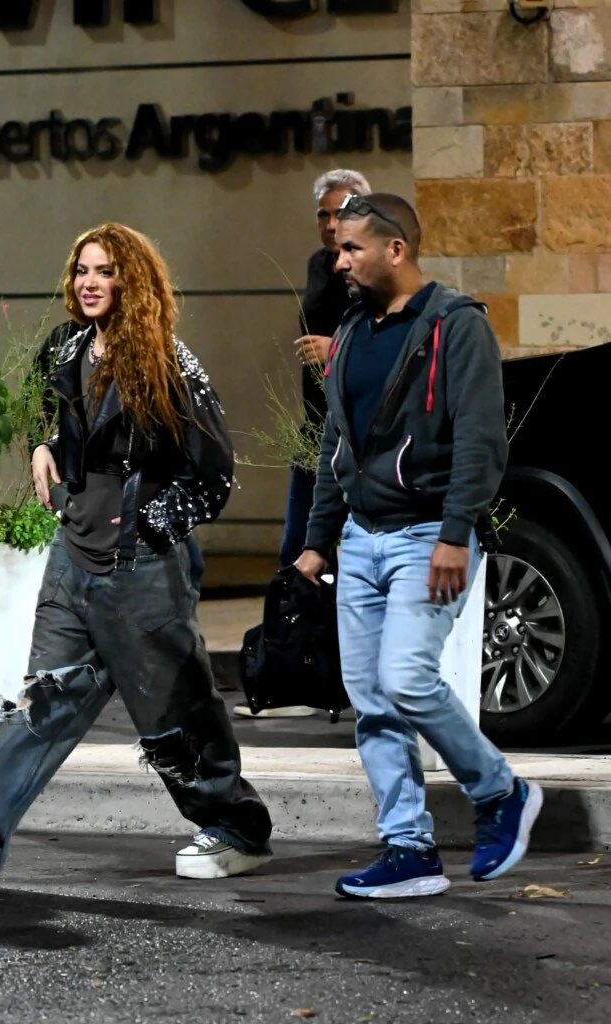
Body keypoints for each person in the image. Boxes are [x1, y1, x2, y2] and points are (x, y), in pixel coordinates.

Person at [0, 223, 273, 884]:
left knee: (173, 711)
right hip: (73, 557)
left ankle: (237, 830)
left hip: (142, 566)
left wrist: (153, 524)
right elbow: (44, 410)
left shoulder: (168, 362)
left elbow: (214, 473)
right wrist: (44, 444)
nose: (88, 282)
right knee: (43, 700)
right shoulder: (65, 347)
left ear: (132, 281)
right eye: (82, 269)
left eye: (105, 271)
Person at [296, 193, 543, 898]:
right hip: (360, 540)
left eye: (351, 248)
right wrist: (317, 541)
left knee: (406, 679)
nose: (339, 262)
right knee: (373, 701)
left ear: (395, 249)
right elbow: (335, 442)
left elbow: (480, 439)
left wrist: (455, 533)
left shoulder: (455, 326)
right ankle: (408, 849)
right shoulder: (351, 329)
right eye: (338, 250)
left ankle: (499, 791)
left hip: (425, 536)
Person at [234, 167, 371, 721]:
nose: (331, 224)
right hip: (314, 430)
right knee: (298, 553)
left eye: (342, 213)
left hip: (360, 438)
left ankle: (347, 681)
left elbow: (392, 340)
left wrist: (335, 348)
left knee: (351, 560)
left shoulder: (372, 271)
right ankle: (295, 679)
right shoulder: (320, 265)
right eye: (323, 214)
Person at [32, 321, 207, 594]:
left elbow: (181, 435)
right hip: (83, 509)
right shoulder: (68, 341)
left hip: (135, 502)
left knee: (188, 565)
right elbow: (44, 412)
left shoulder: (155, 347)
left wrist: (157, 512)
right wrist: (44, 447)